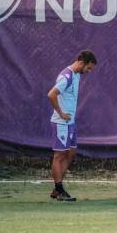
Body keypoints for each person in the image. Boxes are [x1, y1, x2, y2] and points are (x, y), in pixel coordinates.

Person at [47, 50, 97, 201]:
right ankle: (60, 190)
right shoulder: (67, 76)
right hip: (61, 122)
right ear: (82, 63)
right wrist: (61, 113)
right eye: (88, 68)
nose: (88, 72)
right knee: (59, 156)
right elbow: (51, 94)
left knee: (71, 154)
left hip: (71, 123)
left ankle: (57, 188)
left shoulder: (75, 74)